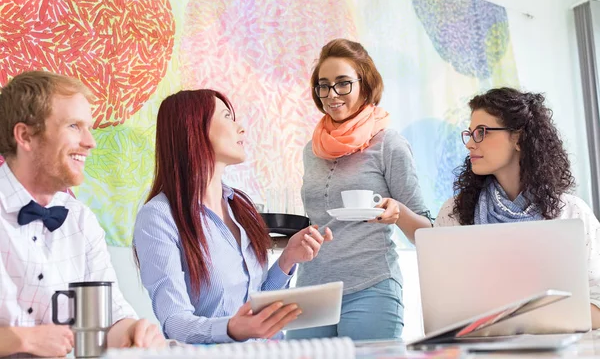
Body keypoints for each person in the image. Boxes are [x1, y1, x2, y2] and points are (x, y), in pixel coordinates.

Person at [133, 89, 333, 344]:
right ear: (194, 128)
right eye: (227, 116)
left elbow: (256, 305)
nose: (241, 128)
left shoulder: (241, 205)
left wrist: (287, 259)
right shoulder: (158, 217)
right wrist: (232, 328)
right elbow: (175, 323)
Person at [0, 71, 165, 357]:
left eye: (89, 127)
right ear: (25, 136)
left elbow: (109, 318)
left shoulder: (81, 221)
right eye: (74, 126)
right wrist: (20, 340)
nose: (91, 142)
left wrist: (131, 331)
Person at [287, 39, 432, 341]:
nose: (331, 95)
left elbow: (425, 233)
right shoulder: (311, 151)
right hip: (311, 289)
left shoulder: (388, 144)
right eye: (323, 86)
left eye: (343, 84)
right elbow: (321, 220)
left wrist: (397, 212)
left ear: (365, 85)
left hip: (370, 286)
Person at [435, 87, 600, 328]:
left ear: (519, 138)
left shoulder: (572, 213)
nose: (470, 144)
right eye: (469, 134)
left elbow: (597, 303)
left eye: (481, 132)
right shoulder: (456, 213)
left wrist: (529, 318)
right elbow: (441, 308)